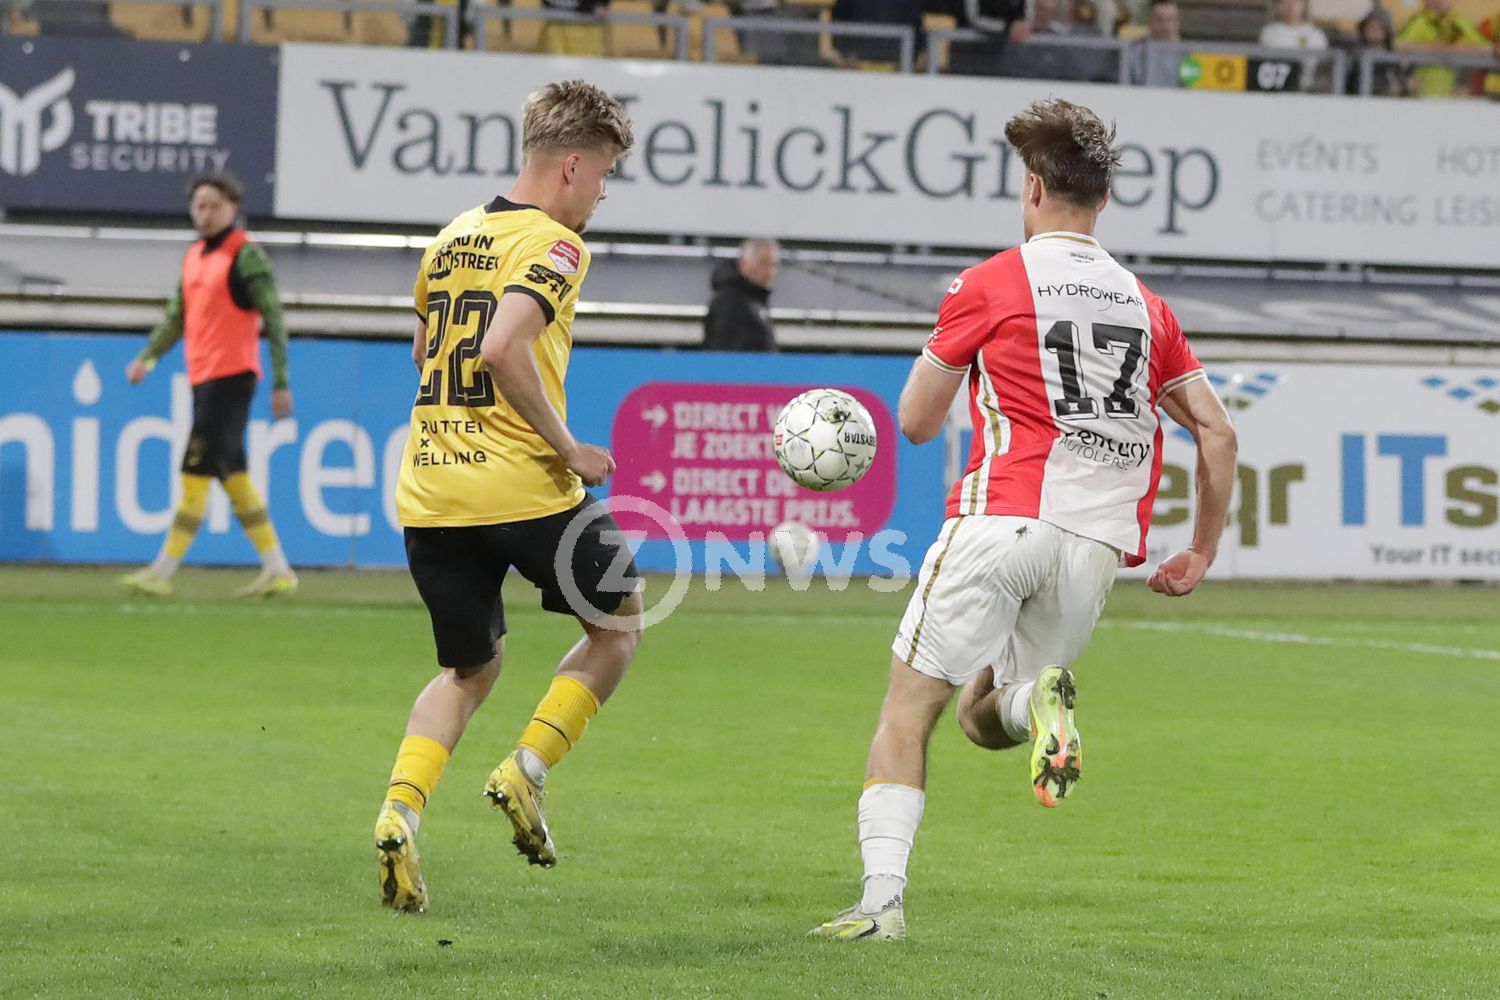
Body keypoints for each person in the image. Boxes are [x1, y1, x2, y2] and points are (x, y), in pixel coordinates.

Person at [809, 98, 1238, 941]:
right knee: (984, 718)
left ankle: (881, 906)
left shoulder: (991, 282)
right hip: (1094, 548)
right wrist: (1200, 549)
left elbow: (917, 422)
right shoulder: (1148, 308)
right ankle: (1038, 700)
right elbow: (1218, 434)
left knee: (910, 710)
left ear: (1033, 188)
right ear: (1104, 199)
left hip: (1003, 517)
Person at [372, 81, 641, 915]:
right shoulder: (555, 245)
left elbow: (425, 347)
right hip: (522, 485)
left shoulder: (453, 236)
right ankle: (526, 769)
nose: (602, 194)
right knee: (620, 623)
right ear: (573, 166)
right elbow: (500, 347)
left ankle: (399, 813)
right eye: (604, 175)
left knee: (468, 668)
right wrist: (568, 448)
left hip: (432, 487)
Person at [119, 174, 297, 599]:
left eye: (214, 205)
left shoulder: (246, 255)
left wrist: (281, 380)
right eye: (199, 205)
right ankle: (277, 568)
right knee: (233, 475)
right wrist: (147, 358)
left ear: (233, 207)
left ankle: (162, 571)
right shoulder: (194, 257)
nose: (205, 213)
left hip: (231, 377)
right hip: (203, 379)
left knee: (194, 471)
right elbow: (176, 318)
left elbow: (274, 317)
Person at [1396, 0, 1490, 97]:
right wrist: (1436, 49)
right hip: (1420, 94)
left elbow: (1486, 48)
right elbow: (1398, 46)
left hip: (1453, 96)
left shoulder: (1459, 21)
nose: (1440, 1)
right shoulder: (1420, 20)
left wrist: (1452, 49)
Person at [703, 238, 779, 352]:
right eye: (763, 263)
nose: (770, 271)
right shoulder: (730, 301)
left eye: (774, 265)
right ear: (743, 263)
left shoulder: (755, 301)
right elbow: (724, 351)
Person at [1259, 0, 1327, 49]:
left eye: (1295, 2)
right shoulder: (1268, 32)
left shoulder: (1316, 34)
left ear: (1304, 5)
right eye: (1285, 2)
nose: (1290, 6)